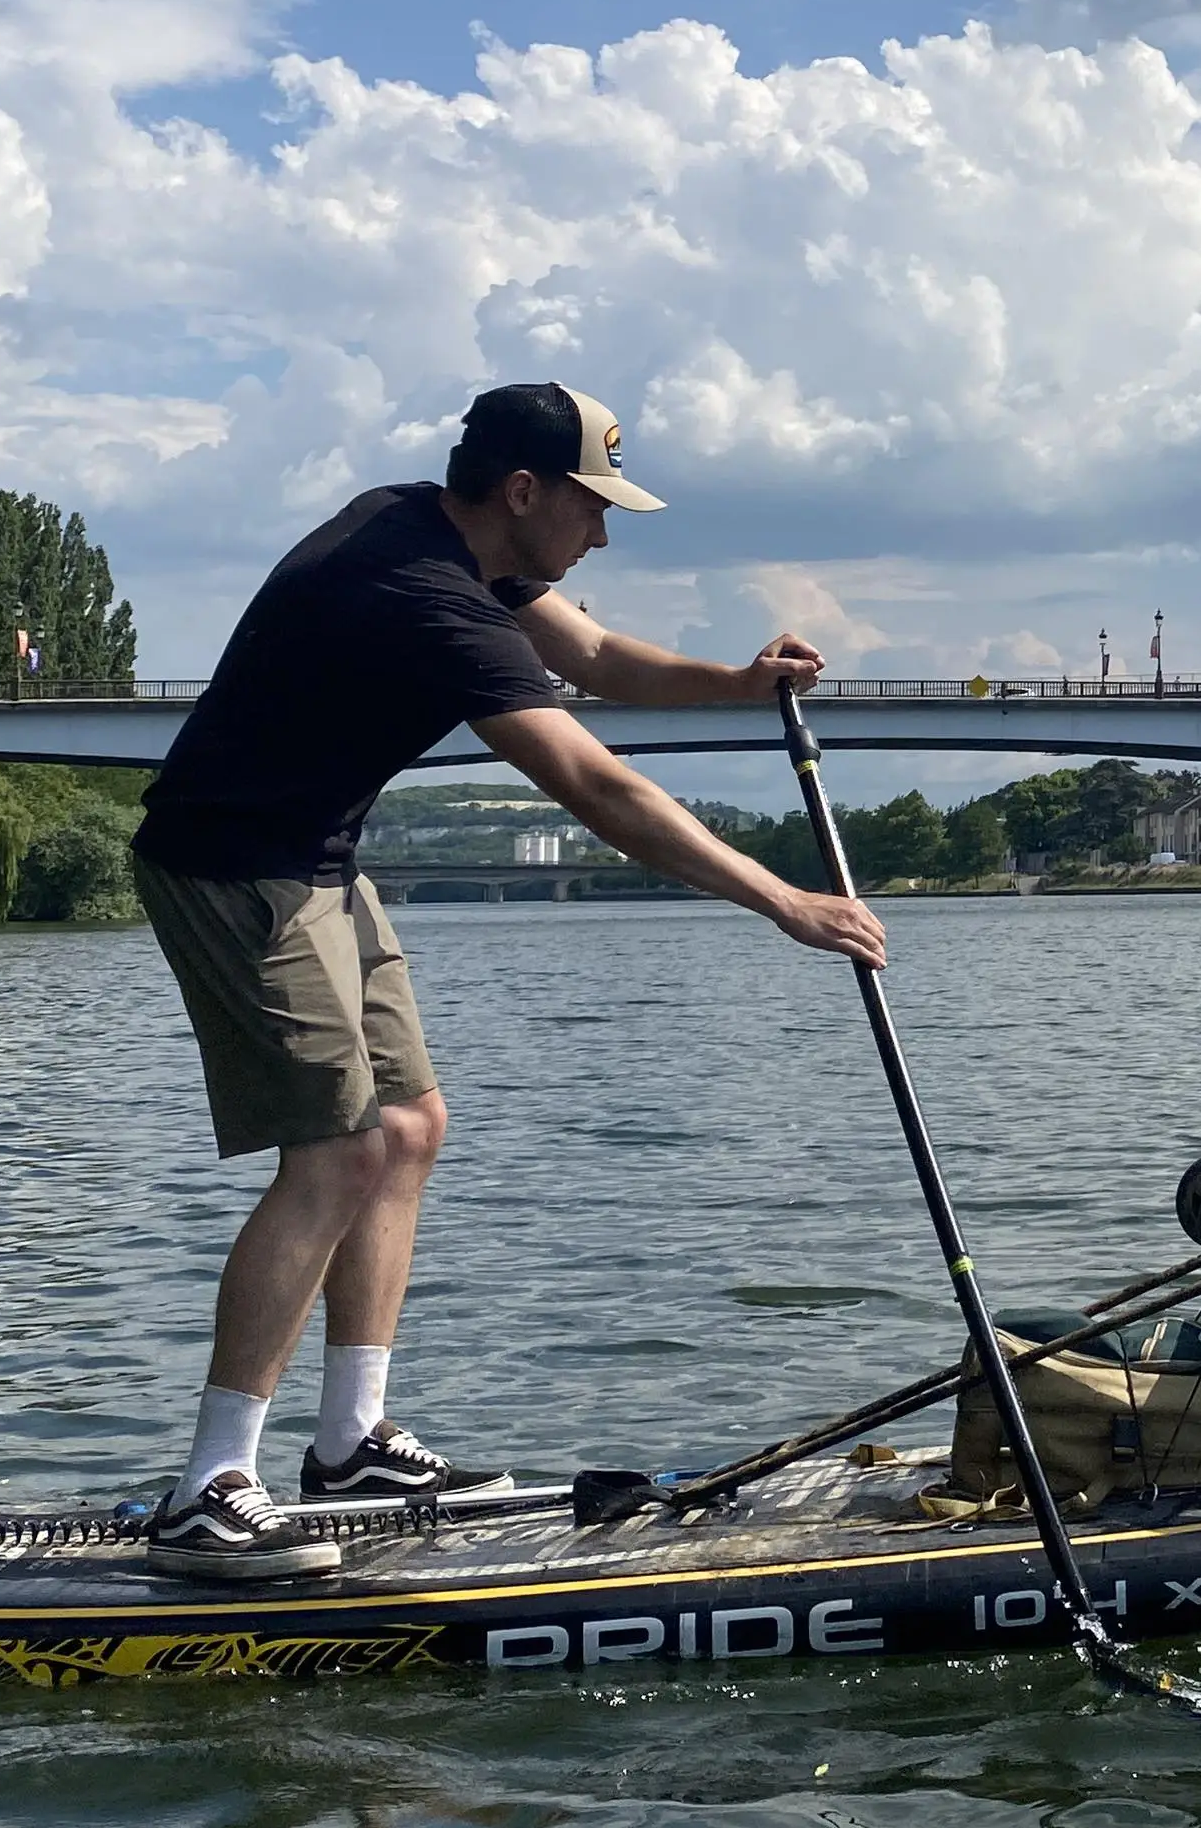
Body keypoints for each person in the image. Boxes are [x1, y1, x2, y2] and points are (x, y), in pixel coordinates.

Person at [128, 381, 887, 1579]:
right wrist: (782, 900)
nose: (603, 535)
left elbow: (591, 655)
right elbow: (600, 791)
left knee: (410, 1128)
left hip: (318, 855)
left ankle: (351, 1443)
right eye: (593, 508)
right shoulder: (422, 594)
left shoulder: (445, 535)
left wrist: (736, 685)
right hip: (233, 868)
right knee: (333, 1152)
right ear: (523, 491)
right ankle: (209, 1487)